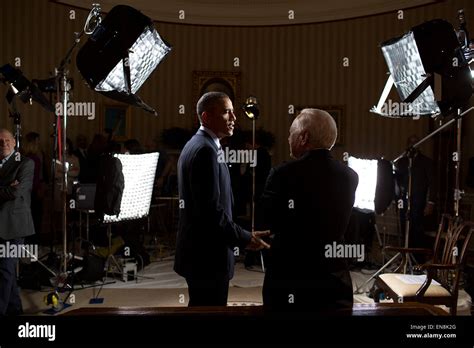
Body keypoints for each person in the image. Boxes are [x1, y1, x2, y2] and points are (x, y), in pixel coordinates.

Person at [174, 92, 270, 306]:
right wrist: (245, 238)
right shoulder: (205, 151)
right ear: (206, 117)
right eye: (227, 112)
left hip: (201, 253)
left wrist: (245, 234)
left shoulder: (198, 144)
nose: (234, 118)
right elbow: (211, 214)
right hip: (207, 257)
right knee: (211, 314)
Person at [260, 109, 358, 311]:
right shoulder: (350, 176)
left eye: (291, 133)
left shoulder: (282, 174)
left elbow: (268, 223)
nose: (288, 138)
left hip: (290, 281)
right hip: (335, 282)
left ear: (304, 137)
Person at [0, 129, 35, 316]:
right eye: (0, 141)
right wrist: (6, 187)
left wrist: (8, 189)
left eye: (7, 140)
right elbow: (8, 191)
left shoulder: (26, 163)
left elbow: (15, 192)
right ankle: (15, 311)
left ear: (14, 143)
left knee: (5, 270)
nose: (4, 143)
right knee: (8, 273)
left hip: (15, 227)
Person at [395, 135, 435, 253]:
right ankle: (405, 255)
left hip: (419, 201)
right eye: (410, 142)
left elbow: (433, 183)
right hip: (404, 200)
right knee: (404, 228)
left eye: (415, 142)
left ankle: (418, 258)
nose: (412, 145)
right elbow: (397, 180)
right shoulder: (402, 161)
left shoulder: (426, 162)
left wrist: (431, 202)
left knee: (417, 229)